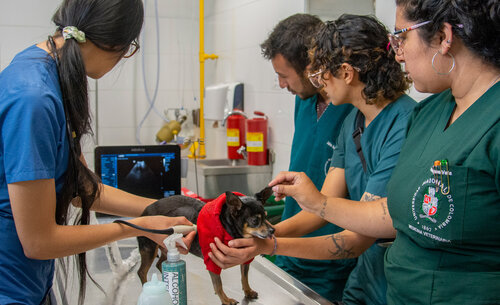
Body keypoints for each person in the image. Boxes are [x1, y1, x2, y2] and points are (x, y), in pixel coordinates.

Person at [234, 1, 500, 304]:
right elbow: (390, 213)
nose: (397, 53)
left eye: (402, 38)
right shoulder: (425, 115)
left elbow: (363, 231)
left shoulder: (418, 121)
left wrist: (287, 229)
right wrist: (269, 233)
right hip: (380, 283)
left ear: (444, 37)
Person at [209, 14, 416, 305]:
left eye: (321, 74)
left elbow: (356, 236)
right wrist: (260, 237)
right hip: (362, 283)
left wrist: (270, 244)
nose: (318, 83)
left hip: (393, 285)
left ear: (345, 72)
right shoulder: (353, 124)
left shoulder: (404, 123)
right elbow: (322, 208)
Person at [0, 1, 196, 304]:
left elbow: (84, 189)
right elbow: (38, 241)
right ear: (116, 43)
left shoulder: (51, 75)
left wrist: (165, 210)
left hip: (31, 284)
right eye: (130, 48)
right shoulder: (33, 98)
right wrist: (138, 227)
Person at [259, 13, 354, 301]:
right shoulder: (305, 101)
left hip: (330, 259)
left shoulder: (352, 107)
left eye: (284, 76)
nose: (281, 84)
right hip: (288, 245)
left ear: (312, 65)